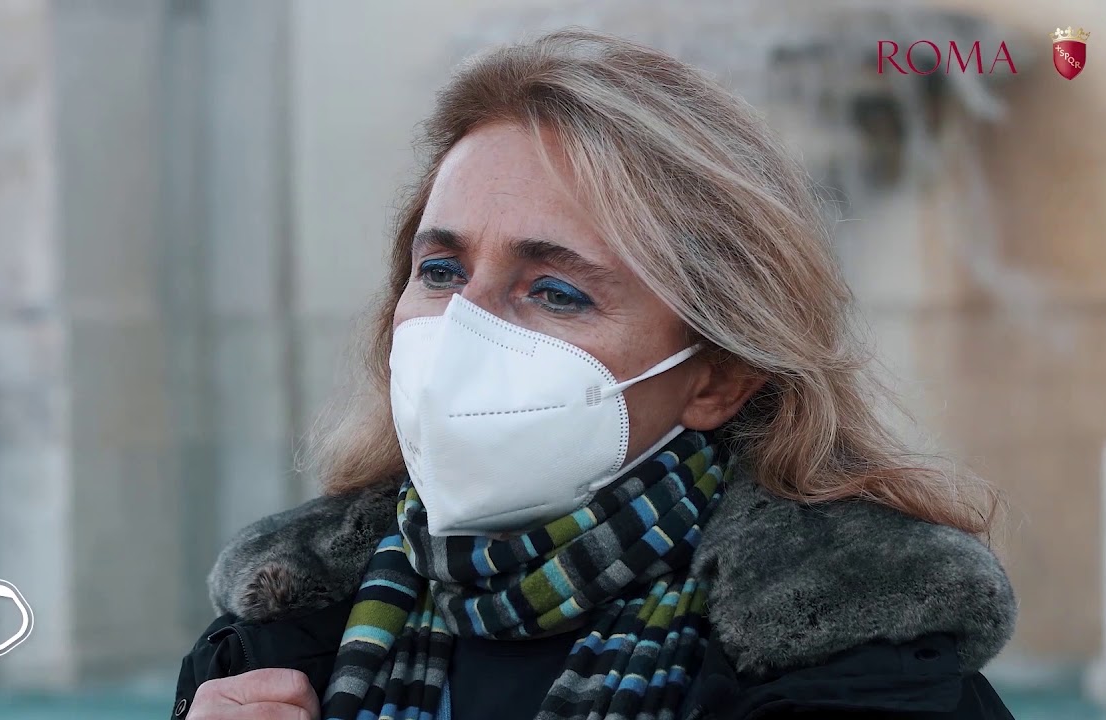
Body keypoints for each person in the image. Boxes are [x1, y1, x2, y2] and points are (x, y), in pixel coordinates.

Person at [173, 28, 1017, 720]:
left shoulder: (866, 670)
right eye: (440, 272)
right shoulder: (277, 645)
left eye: (555, 291)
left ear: (716, 376)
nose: (463, 327)